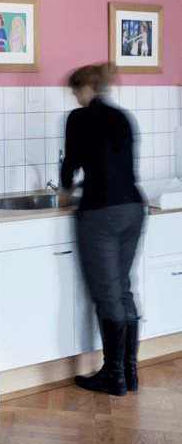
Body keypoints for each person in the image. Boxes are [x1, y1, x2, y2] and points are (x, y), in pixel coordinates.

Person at [59, 63, 145, 396]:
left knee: (107, 296)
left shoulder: (78, 118)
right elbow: (115, 166)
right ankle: (129, 373)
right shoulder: (123, 117)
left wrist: (66, 190)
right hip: (134, 207)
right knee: (123, 289)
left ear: (86, 88)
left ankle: (113, 376)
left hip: (101, 213)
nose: (74, 98)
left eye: (74, 91)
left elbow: (71, 163)